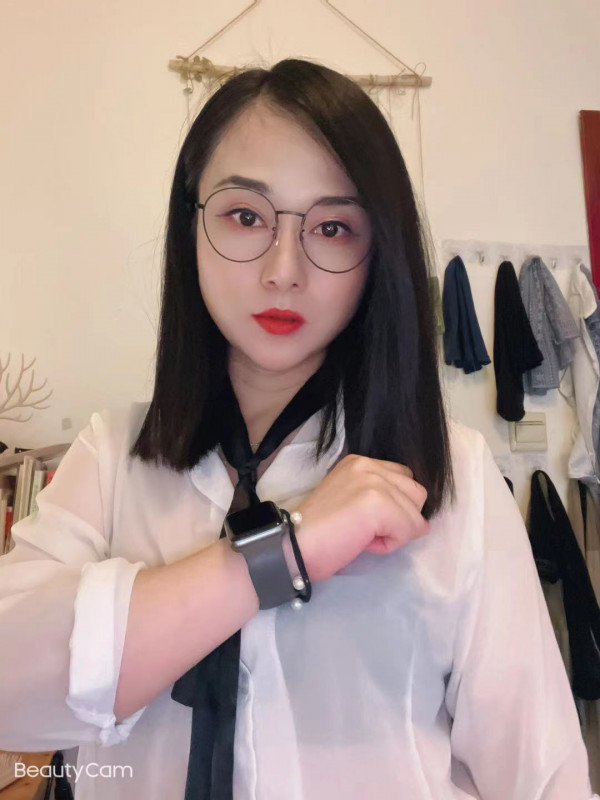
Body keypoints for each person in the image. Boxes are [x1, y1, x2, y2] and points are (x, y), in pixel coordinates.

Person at [0, 57, 596, 800]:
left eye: (334, 227)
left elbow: (542, 779)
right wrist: (282, 552)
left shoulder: (455, 473)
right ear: (191, 226)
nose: (284, 270)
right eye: (246, 216)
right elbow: (10, 690)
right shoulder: (113, 453)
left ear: (378, 253)